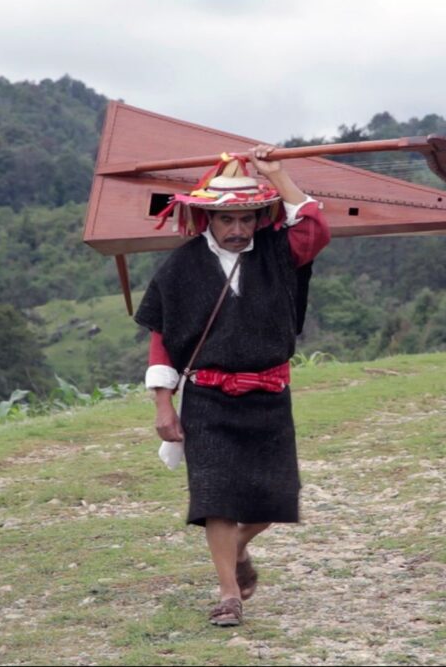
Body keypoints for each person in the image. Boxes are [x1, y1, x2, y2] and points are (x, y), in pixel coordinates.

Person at [133, 144, 330, 627]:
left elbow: (314, 227)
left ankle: (239, 545)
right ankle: (229, 595)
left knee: (274, 499)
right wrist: (164, 406)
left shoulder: (280, 253)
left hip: (268, 395)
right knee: (215, 497)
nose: (238, 229)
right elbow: (163, 340)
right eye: (227, 220)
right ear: (207, 219)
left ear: (258, 215)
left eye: (246, 218)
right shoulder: (179, 268)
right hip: (207, 399)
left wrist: (277, 175)